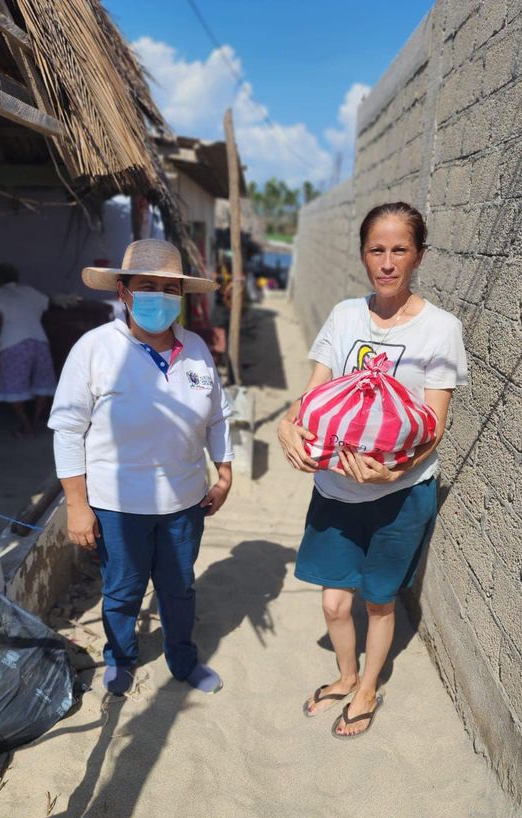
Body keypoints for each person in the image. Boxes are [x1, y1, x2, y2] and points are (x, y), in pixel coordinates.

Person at [278, 202, 467, 738]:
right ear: (363, 254)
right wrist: (287, 426)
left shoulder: (440, 329)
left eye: (399, 250)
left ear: (419, 256)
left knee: (380, 602)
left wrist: (393, 473)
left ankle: (366, 688)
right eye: (376, 250)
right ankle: (346, 674)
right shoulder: (345, 317)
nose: (386, 263)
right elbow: (311, 396)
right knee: (335, 602)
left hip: (401, 495)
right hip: (335, 490)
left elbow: (434, 425)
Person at [48, 239, 234, 695]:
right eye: (147, 286)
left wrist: (224, 473)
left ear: (181, 296)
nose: (159, 297)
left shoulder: (196, 348)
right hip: (117, 506)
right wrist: (77, 506)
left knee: (179, 587)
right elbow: (67, 430)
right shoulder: (94, 349)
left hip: (185, 502)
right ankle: (120, 658)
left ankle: (183, 659)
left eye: (170, 288)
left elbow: (218, 416)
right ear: (124, 291)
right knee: (122, 590)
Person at [0, 263, 56, 436]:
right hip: (40, 341)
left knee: (14, 387)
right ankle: (35, 421)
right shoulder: (30, 291)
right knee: (43, 384)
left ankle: (26, 425)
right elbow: (49, 303)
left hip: (13, 343)